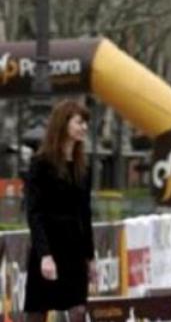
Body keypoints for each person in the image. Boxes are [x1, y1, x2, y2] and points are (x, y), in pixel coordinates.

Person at [24, 99, 96, 322]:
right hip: (48, 246)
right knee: (37, 310)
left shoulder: (83, 167)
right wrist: (45, 255)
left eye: (86, 123)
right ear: (63, 124)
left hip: (74, 249)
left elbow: (85, 213)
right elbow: (34, 213)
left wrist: (90, 257)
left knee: (78, 310)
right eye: (79, 122)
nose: (84, 127)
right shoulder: (40, 164)